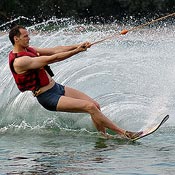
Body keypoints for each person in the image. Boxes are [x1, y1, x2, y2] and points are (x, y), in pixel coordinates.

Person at [8, 25, 142, 140]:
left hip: (56, 87)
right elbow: (54, 58)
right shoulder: (20, 61)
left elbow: (55, 50)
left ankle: (103, 137)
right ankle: (124, 133)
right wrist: (77, 51)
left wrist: (77, 45)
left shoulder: (29, 50)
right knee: (89, 107)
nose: (29, 38)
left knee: (95, 105)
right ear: (16, 38)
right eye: (25, 36)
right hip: (47, 97)